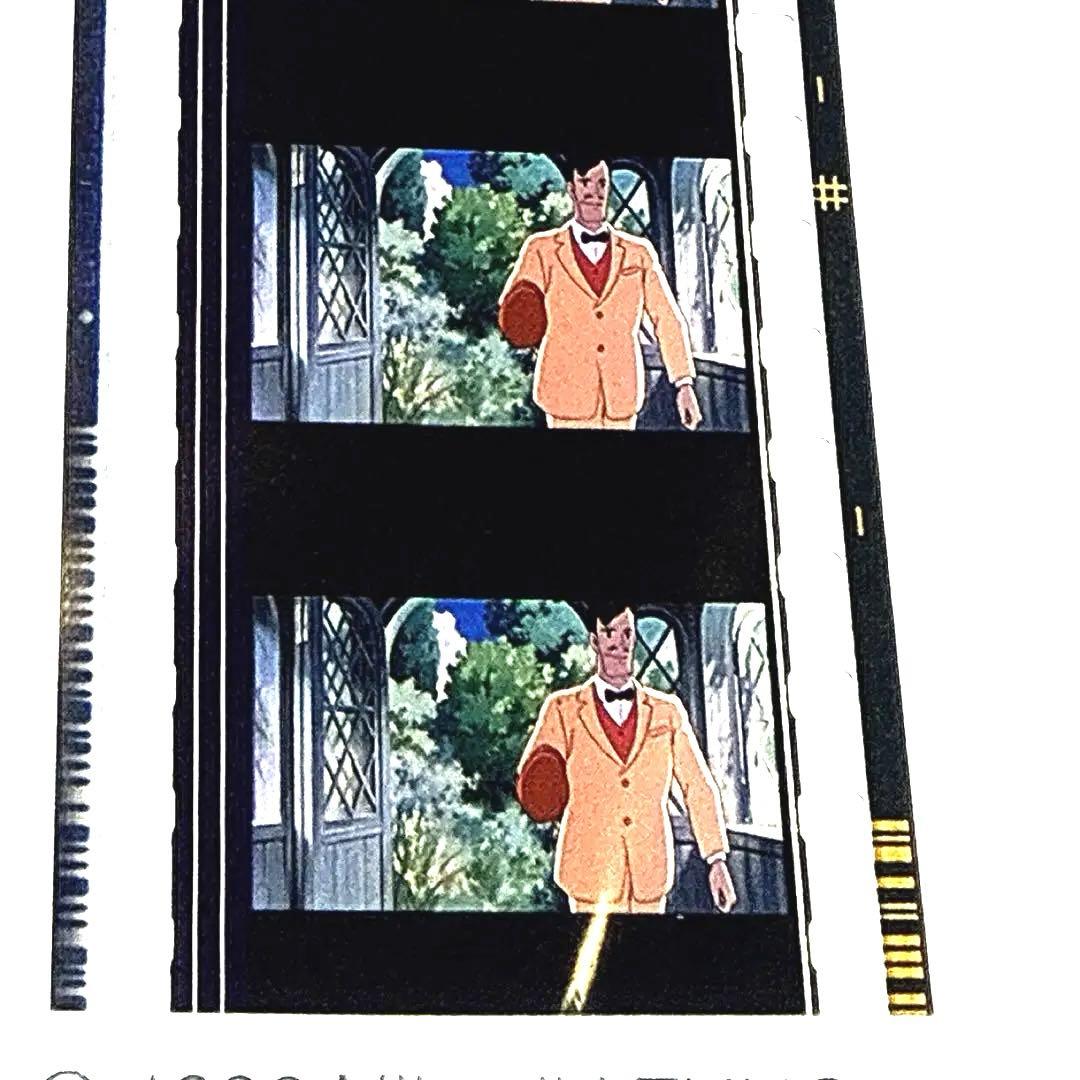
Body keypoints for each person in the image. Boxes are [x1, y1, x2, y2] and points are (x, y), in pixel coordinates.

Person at [515, 603, 737, 914]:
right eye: (609, 633)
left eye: (627, 633)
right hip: (589, 876)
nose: (619, 643)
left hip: (649, 876)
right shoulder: (562, 709)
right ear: (595, 641)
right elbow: (533, 783)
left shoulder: (667, 711)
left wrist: (716, 859)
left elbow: (697, 785)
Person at [498, 159, 703, 431]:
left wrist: (684, 383)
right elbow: (514, 314)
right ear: (571, 189)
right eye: (585, 182)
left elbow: (666, 317)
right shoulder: (541, 249)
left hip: (621, 398)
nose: (594, 192)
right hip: (565, 398)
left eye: (602, 183)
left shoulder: (639, 252)